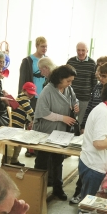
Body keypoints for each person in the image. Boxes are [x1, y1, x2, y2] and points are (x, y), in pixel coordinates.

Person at [33, 64, 79, 200]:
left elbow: (74, 100)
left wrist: (75, 106)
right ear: (60, 78)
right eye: (68, 81)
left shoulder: (68, 89)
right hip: (46, 130)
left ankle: (58, 188)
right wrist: (62, 118)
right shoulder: (47, 91)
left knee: (58, 160)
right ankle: (36, 188)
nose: (70, 84)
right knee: (42, 160)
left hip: (61, 132)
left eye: (71, 81)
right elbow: (42, 112)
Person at [4, 82, 36, 165]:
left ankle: (13, 160)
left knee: (17, 144)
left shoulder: (20, 97)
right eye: (29, 93)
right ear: (24, 90)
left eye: (32, 94)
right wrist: (35, 120)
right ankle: (11, 161)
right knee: (16, 144)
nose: (31, 96)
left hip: (18, 123)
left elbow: (22, 112)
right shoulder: (24, 99)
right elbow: (30, 112)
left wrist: (28, 121)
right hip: (16, 124)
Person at [66, 42, 96, 127]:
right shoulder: (70, 61)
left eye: (83, 50)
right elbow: (65, 78)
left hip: (85, 99)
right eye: (78, 50)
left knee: (82, 123)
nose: (80, 53)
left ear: (87, 51)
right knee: (69, 122)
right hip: (70, 99)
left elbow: (94, 82)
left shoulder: (92, 63)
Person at [19, 36, 48, 106]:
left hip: (44, 94)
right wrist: (21, 96)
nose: (45, 49)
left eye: (46, 46)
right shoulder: (27, 61)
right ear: (37, 46)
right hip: (32, 94)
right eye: (42, 46)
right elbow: (23, 79)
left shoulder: (47, 60)